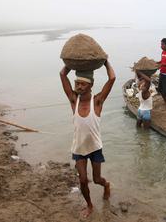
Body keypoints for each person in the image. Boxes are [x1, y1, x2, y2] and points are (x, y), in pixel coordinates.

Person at [59, 60, 115, 217]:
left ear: (91, 85)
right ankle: (89, 205)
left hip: (95, 147)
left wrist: (105, 62)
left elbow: (111, 79)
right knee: (83, 180)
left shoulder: (97, 101)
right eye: (77, 83)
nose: (78, 86)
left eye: (82, 84)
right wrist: (71, 62)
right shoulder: (73, 100)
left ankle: (106, 185)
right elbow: (63, 74)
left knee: (97, 179)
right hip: (79, 148)